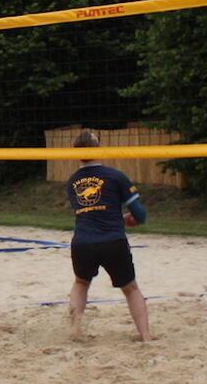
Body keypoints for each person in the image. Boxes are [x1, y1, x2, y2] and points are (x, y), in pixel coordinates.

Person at [65, 130, 153, 341]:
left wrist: (116, 218)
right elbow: (140, 215)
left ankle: (74, 330)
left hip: (83, 242)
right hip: (113, 241)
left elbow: (93, 212)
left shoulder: (72, 182)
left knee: (80, 283)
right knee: (131, 289)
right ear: (99, 149)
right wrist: (130, 219)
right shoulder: (116, 176)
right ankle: (146, 336)